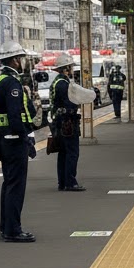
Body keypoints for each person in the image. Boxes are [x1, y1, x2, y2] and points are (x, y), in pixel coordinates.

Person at [0, 41, 38, 242]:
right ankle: (13, 230)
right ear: (15, 60)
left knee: (9, 184)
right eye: (21, 58)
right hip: (13, 140)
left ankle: (6, 227)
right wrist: (26, 138)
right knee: (16, 186)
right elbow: (15, 115)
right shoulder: (11, 83)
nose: (23, 62)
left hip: (4, 139)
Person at [51, 52, 85, 192]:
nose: (71, 70)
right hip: (68, 123)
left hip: (59, 122)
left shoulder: (57, 82)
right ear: (65, 69)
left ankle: (62, 182)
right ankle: (70, 182)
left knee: (63, 153)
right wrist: (76, 111)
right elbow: (69, 104)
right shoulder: (64, 85)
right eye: (70, 67)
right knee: (72, 152)